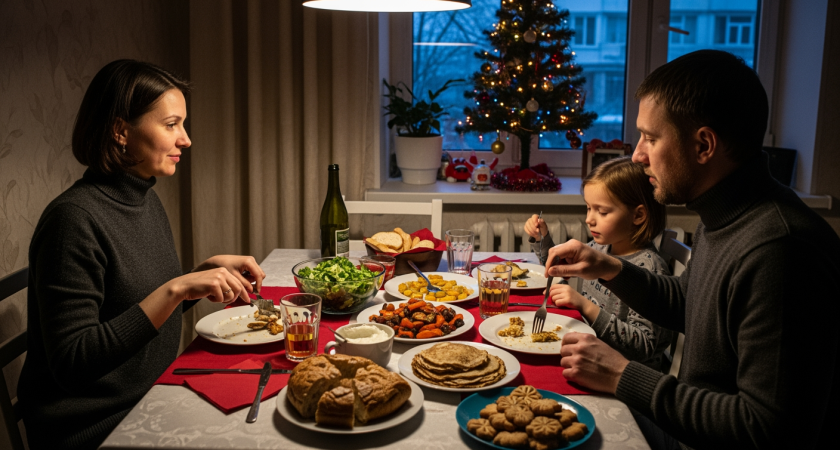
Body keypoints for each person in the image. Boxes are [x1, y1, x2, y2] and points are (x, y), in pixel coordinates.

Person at [545, 50, 840, 449]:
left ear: (704, 145)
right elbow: (691, 305)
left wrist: (621, 374)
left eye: (650, 138)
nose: (637, 155)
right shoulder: (723, 218)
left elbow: (766, 430)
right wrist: (609, 267)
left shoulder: (781, 250)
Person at [18, 60, 266, 450]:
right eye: (171, 125)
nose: (185, 139)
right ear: (121, 131)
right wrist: (177, 289)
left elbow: (133, 306)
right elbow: (72, 363)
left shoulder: (142, 197)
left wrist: (200, 276)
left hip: (153, 396)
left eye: (182, 125)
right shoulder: (73, 221)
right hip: (95, 426)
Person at [524, 157, 673, 370]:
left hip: (628, 377)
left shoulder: (649, 269)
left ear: (638, 215)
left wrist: (585, 306)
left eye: (602, 212)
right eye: (588, 208)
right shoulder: (600, 248)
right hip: (592, 355)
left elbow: (643, 347)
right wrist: (542, 239)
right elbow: (558, 268)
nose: (589, 219)